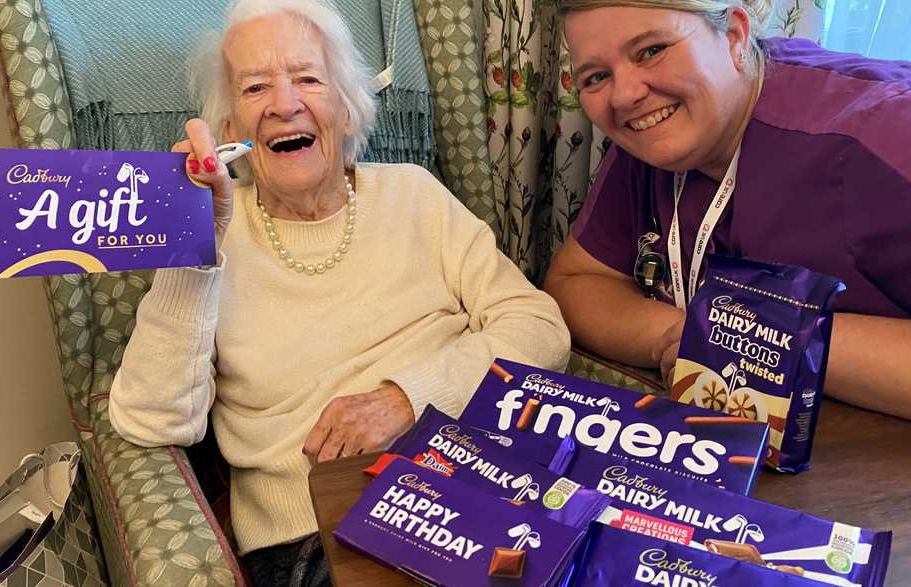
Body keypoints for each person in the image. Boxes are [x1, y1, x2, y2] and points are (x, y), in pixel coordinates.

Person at [108, 0, 570, 585]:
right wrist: (193, 246)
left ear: (347, 110)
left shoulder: (414, 197)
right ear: (230, 132)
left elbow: (541, 330)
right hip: (321, 534)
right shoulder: (213, 236)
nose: (283, 103)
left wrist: (406, 399)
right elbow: (150, 423)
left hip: (488, 493)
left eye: (307, 78)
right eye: (255, 88)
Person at [544, 0, 911, 429]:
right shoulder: (655, 133)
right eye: (596, 76)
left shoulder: (886, 138)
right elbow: (577, 282)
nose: (625, 94)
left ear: (735, 35)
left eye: (652, 50)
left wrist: (772, 340)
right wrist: (690, 335)